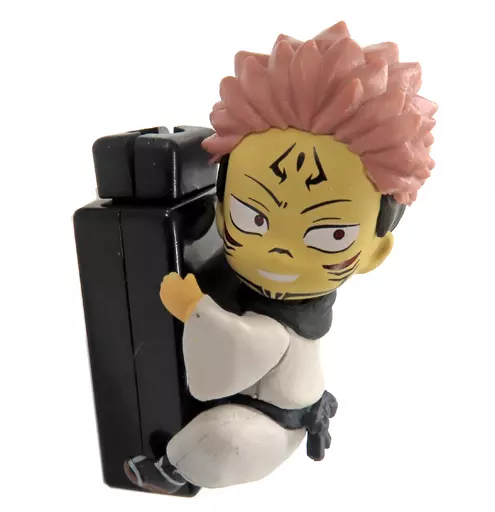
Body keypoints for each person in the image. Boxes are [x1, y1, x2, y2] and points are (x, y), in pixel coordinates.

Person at [124, 20, 437, 495]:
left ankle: (172, 469)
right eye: (253, 217)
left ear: (376, 252)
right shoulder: (242, 277)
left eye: (330, 234)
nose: (281, 250)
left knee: (219, 440)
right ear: (219, 208)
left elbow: (225, 366)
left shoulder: (281, 324)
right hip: (271, 403)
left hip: (267, 423)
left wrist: (195, 310)